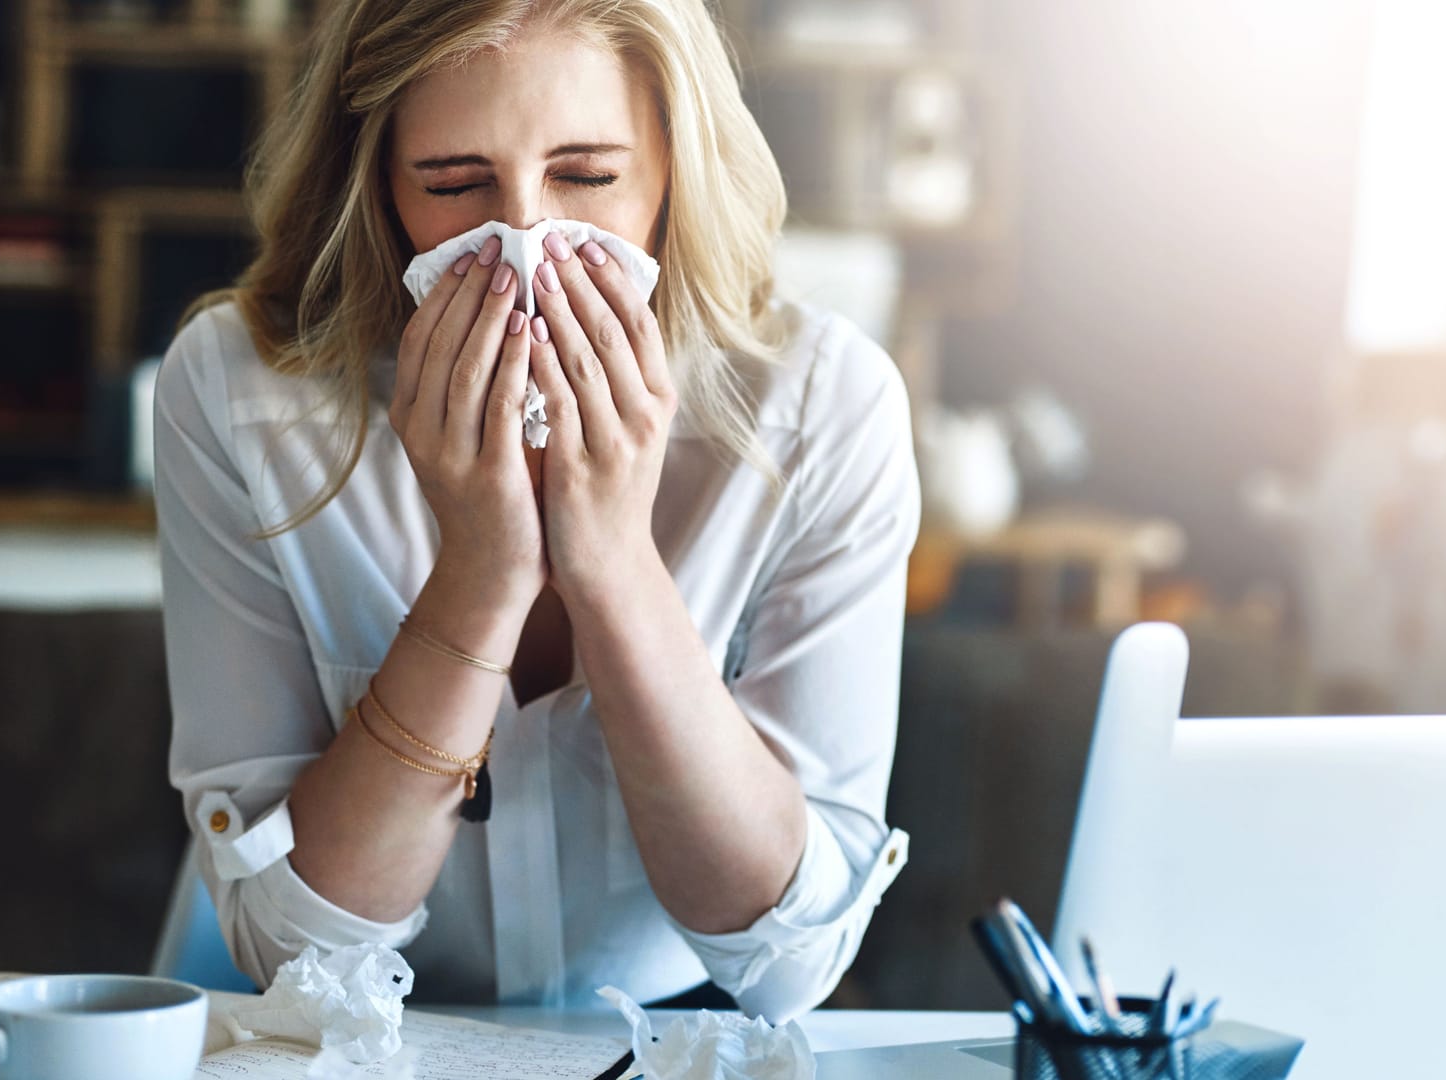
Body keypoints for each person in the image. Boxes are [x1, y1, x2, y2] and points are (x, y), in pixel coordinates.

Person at [157, 0, 918, 1024]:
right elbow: (294, 954)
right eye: (455, 184)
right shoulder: (242, 395)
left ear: (671, 174)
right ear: (377, 189)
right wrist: (481, 576)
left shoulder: (820, 410)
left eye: (587, 178)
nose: (523, 244)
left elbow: (788, 962)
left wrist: (612, 565)